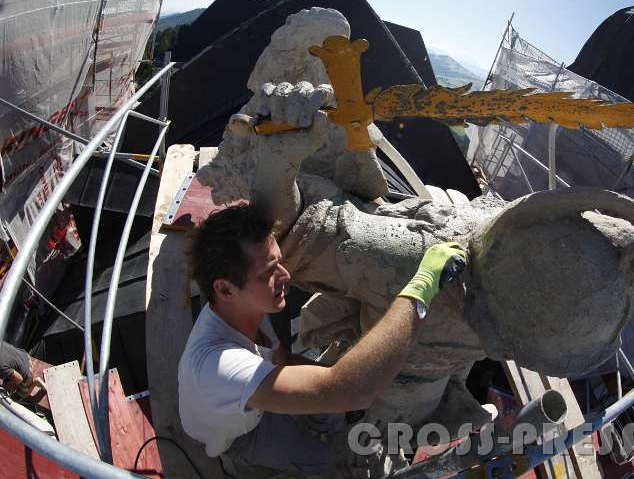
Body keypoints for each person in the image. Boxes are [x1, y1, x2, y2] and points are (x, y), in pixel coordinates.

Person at [178, 203, 466, 477]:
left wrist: (331, 388)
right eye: (268, 272)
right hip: (241, 436)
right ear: (225, 289)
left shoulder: (247, 307)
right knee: (326, 460)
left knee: (334, 400)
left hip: (252, 398)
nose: (285, 275)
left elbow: (282, 360)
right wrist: (423, 286)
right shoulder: (219, 366)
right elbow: (354, 389)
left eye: (278, 262)